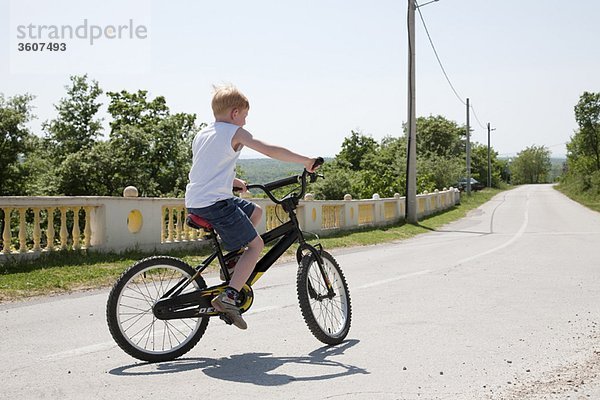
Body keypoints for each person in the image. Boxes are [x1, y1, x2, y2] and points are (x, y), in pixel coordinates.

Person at [185, 84, 319, 330]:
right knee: (257, 244)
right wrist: (305, 160)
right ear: (235, 113)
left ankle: (235, 262)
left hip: (198, 200)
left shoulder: (203, 133)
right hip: (216, 203)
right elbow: (269, 150)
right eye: (245, 116)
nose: (245, 122)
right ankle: (230, 296)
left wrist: (234, 182)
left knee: (256, 211)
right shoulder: (236, 132)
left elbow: (207, 167)